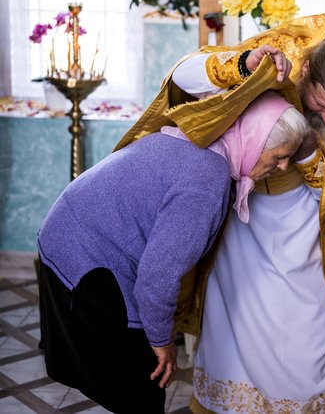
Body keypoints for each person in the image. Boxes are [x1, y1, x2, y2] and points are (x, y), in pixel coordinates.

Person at [112, 6, 325, 412]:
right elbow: (183, 75)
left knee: (306, 330)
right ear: (304, 72)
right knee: (234, 321)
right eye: (321, 105)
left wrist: (308, 156)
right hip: (241, 221)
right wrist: (240, 66)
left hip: (303, 227)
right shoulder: (274, 58)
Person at [36, 90, 308, 413]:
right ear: (252, 138)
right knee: (143, 390)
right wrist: (161, 341)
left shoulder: (200, 142)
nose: (283, 166)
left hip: (65, 235)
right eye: (278, 155)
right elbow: (156, 278)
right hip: (83, 259)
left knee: (134, 385)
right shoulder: (208, 178)